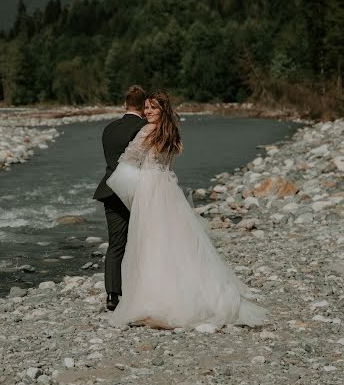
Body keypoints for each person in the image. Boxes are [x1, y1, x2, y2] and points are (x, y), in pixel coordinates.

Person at [106, 91, 266, 331]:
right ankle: (188, 295)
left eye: (153, 108)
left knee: (151, 243)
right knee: (177, 242)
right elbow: (168, 164)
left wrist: (130, 189)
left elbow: (128, 160)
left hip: (149, 189)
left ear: (162, 110)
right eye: (147, 108)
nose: (147, 112)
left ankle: (155, 301)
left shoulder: (147, 131)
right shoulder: (172, 133)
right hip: (168, 189)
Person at [93, 85, 147, 311]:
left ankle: (112, 296)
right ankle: (140, 290)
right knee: (142, 242)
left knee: (116, 244)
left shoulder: (109, 128)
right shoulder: (146, 128)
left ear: (125, 104)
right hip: (138, 191)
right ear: (144, 106)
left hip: (111, 190)